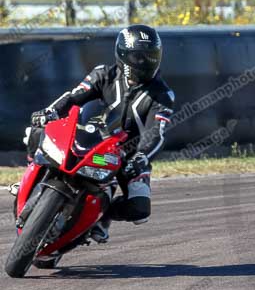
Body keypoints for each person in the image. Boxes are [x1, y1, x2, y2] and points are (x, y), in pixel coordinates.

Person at [25, 24, 175, 242]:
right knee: (37, 130)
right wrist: (50, 112)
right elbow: (73, 97)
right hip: (90, 137)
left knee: (140, 209)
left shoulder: (162, 94)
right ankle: (31, 175)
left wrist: (141, 156)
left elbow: (156, 132)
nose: (145, 63)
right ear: (123, 55)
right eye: (139, 57)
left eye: (151, 57)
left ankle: (102, 217)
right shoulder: (103, 74)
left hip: (129, 156)